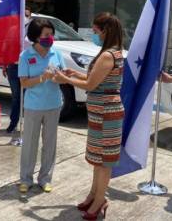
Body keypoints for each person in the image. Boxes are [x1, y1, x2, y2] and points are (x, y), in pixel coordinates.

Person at [53, 12, 124, 220]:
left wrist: (64, 78)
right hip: (101, 112)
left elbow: (91, 85)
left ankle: (100, 199)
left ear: (105, 31)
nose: (94, 34)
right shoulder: (112, 53)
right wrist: (75, 73)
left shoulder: (107, 55)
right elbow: (96, 78)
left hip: (106, 113)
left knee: (103, 161)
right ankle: (94, 195)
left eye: (95, 31)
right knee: (97, 159)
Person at [18, 18, 66, 193]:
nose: (50, 38)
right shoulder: (26, 56)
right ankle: (25, 178)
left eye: (52, 34)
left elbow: (63, 76)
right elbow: (23, 82)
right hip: (33, 106)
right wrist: (41, 78)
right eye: (47, 35)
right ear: (36, 37)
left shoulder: (57, 54)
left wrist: (59, 76)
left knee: (50, 144)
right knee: (30, 144)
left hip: (53, 105)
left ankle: (45, 179)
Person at [2, 6, 32, 147]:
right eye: (22, 14)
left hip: (27, 69)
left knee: (26, 98)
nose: (24, 17)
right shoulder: (13, 29)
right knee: (16, 97)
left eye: (27, 14)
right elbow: (6, 47)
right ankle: (13, 123)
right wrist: (5, 64)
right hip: (13, 68)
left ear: (30, 16)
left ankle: (27, 127)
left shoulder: (33, 32)